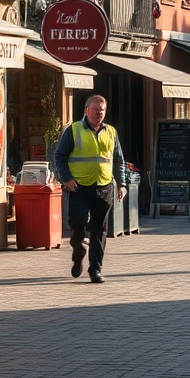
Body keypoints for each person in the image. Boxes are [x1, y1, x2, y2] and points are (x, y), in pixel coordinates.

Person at [54, 94, 127, 284]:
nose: (100, 113)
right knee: (77, 223)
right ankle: (78, 249)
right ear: (87, 110)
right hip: (79, 187)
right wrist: (67, 179)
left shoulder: (111, 131)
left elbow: (118, 160)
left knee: (99, 230)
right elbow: (60, 157)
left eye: (102, 110)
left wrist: (122, 183)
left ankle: (95, 269)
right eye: (96, 110)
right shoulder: (74, 130)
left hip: (104, 187)